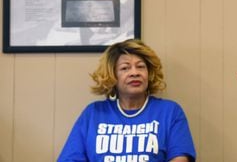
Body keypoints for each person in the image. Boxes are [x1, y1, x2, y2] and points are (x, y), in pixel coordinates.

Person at [58, 39, 196, 162]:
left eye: (141, 66)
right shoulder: (93, 113)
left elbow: (180, 158)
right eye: (125, 68)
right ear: (112, 75)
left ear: (149, 73)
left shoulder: (170, 111)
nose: (134, 73)